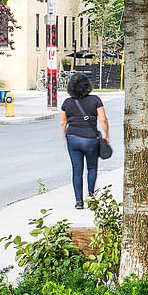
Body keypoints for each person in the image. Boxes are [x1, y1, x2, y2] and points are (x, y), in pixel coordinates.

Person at [60, 72, 110, 209]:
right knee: (92, 168)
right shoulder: (95, 100)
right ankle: (91, 196)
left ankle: (78, 202)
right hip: (90, 139)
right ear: (87, 85)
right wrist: (107, 135)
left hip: (73, 138)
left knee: (77, 170)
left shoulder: (67, 103)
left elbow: (63, 123)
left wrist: (65, 137)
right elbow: (103, 119)